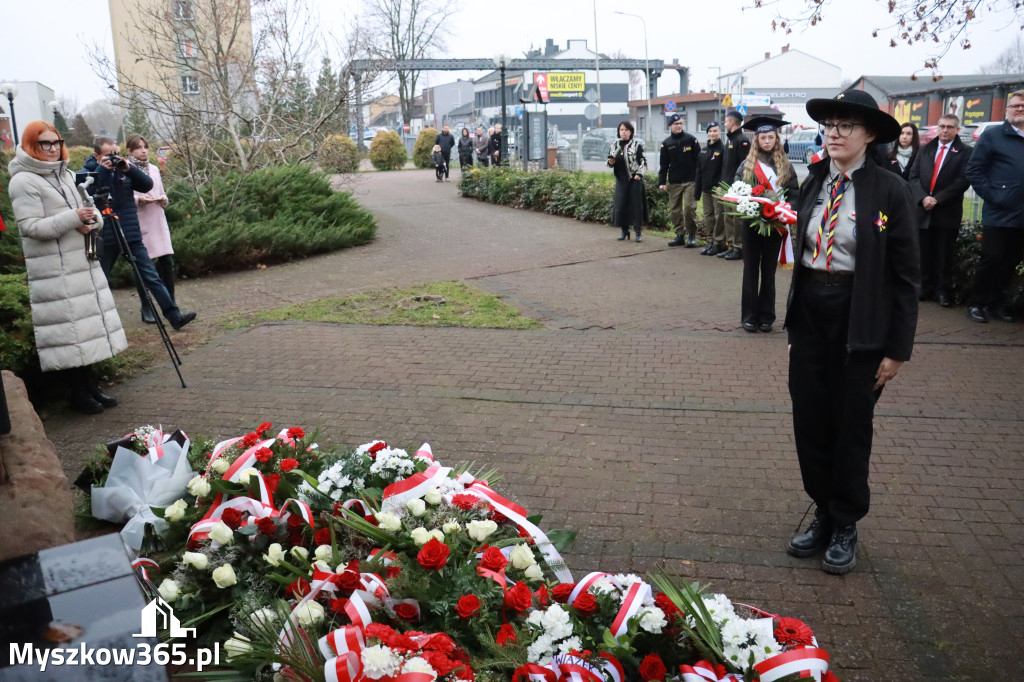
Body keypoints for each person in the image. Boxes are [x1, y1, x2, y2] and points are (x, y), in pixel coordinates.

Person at [785, 89, 919, 575]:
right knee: (811, 419)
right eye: (830, 125)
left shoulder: (889, 190)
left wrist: (897, 349)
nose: (834, 133)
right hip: (811, 313)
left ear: (869, 135)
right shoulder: (814, 180)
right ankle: (823, 508)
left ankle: (845, 522)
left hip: (859, 317)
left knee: (850, 425)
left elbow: (906, 276)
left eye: (846, 126)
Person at [7, 121, 127, 414]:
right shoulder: (23, 181)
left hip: (80, 264)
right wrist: (75, 218)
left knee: (85, 329)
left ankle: (89, 387)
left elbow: (91, 212)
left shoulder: (67, 175)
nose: (52, 148)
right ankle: (78, 394)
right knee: (70, 333)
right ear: (31, 145)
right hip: (55, 270)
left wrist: (91, 222)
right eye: (45, 143)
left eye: (56, 142)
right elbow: (30, 227)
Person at [78, 137, 196, 331]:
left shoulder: (123, 171)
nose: (113, 158)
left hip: (130, 232)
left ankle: (174, 316)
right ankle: (93, 325)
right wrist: (103, 170)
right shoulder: (87, 173)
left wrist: (128, 168)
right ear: (97, 156)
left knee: (151, 276)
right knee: (99, 279)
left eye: (116, 154)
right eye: (108, 155)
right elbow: (86, 193)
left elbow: (146, 185)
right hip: (105, 234)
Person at [734, 117, 799, 333]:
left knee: (769, 271)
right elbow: (737, 191)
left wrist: (786, 209)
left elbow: (794, 193)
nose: (767, 141)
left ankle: (767, 317)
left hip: (776, 223)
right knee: (750, 269)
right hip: (752, 224)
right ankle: (749, 316)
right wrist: (749, 209)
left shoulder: (785, 166)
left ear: (776, 139)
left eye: (771, 137)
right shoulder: (746, 165)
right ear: (757, 140)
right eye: (763, 138)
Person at [965, 90, 1024, 323]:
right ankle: (977, 303)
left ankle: (997, 303)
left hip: (1022, 215)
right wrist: (994, 196)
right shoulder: (993, 136)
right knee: (991, 258)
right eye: (1016, 105)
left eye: (1023, 106)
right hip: (999, 212)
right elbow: (974, 170)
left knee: (1011, 261)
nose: (1020, 109)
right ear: (1007, 109)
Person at [908, 114, 972, 308]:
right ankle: (924, 288)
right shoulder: (925, 149)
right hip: (923, 211)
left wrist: (938, 199)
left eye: (949, 127)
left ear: (957, 130)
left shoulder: (965, 152)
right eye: (942, 126)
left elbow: (963, 180)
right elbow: (913, 176)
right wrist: (923, 198)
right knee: (923, 253)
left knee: (944, 255)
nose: (945, 130)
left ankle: (942, 291)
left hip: (947, 211)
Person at [126, 134, 175, 324]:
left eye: (145, 147)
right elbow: (122, 198)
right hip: (140, 220)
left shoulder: (154, 168)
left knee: (167, 261)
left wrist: (163, 199)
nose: (143, 151)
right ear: (130, 151)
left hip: (157, 218)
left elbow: (161, 191)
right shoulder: (125, 170)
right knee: (143, 266)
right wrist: (138, 199)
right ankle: (146, 306)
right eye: (138, 147)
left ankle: (171, 304)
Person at [658, 114, 702, 247]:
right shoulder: (666, 143)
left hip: (690, 180)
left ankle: (692, 235)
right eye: (676, 124)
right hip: (674, 181)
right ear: (670, 126)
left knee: (689, 208)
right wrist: (662, 182)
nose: (678, 126)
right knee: (675, 210)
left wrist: (699, 178)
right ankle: (679, 235)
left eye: (680, 123)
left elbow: (700, 160)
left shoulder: (691, 139)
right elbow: (663, 165)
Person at [607, 120, 648, 242]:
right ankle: (624, 231)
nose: (623, 132)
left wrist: (639, 174)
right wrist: (610, 162)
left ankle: (638, 232)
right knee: (621, 205)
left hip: (634, 180)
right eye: (621, 130)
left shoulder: (636, 145)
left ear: (631, 132)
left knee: (635, 206)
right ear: (618, 132)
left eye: (626, 130)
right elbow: (609, 162)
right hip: (621, 180)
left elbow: (643, 162)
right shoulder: (615, 145)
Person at [719, 110, 750, 260]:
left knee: (737, 219)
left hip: (736, 187)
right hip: (727, 186)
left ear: (732, 123)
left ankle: (738, 247)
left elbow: (745, 166)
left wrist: (740, 187)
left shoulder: (742, 140)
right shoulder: (730, 139)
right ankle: (730, 245)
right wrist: (721, 184)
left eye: (725, 121)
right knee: (728, 217)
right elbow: (726, 166)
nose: (724, 124)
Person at [699, 122, 727, 255]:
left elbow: (724, 170)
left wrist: (721, 185)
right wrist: (698, 189)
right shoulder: (704, 150)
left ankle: (718, 242)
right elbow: (700, 170)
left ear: (720, 132)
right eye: (710, 131)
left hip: (718, 189)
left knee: (718, 215)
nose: (712, 133)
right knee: (708, 215)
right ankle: (710, 240)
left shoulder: (723, 149)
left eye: (715, 131)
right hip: (706, 188)